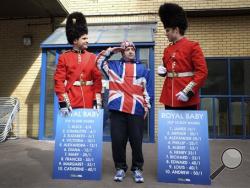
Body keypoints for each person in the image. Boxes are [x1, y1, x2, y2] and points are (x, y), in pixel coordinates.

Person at [96, 41, 153, 183]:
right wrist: (111, 50)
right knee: (117, 141)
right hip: (117, 110)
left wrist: (147, 107)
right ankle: (120, 168)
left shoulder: (143, 68)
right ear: (122, 52)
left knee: (136, 142)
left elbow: (147, 90)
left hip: (136, 109)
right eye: (127, 49)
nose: (130, 51)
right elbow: (98, 61)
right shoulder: (113, 66)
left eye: (133, 49)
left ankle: (137, 169)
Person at [158, 3, 208, 110]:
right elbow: (169, 69)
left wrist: (188, 91)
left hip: (186, 97)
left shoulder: (192, 46)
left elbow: (202, 72)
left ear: (176, 30)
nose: (165, 33)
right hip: (169, 96)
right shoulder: (167, 50)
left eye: (167, 30)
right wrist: (163, 72)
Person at [54, 12, 102, 115]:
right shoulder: (64, 57)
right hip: (71, 102)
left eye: (87, 38)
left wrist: (96, 100)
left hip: (89, 102)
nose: (87, 41)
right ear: (75, 40)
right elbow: (59, 81)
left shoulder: (92, 57)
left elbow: (97, 81)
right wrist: (63, 102)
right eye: (84, 39)